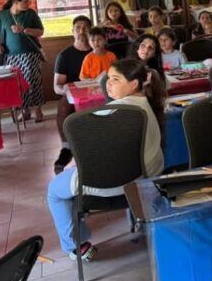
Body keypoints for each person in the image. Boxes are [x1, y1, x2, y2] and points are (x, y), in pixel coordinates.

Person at [47, 59, 165, 261]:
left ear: (134, 84)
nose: (108, 84)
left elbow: (88, 153)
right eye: (108, 78)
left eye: (116, 79)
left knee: (54, 191)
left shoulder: (110, 112)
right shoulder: (146, 104)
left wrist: (73, 166)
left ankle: (77, 246)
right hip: (146, 177)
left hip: (114, 183)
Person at [0, 0, 45, 122]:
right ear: (16, 2)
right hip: (11, 55)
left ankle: (37, 110)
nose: (29, 4)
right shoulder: (2, 15)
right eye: (26, 2)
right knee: (17, 84)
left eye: (29, 1)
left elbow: (40, 32)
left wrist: (25, 30)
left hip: (30, 54)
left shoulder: (30, 13)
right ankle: (24, 110)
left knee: (33, 80)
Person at [53, 15, 93, 174]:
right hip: (74, 96)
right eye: (78, 28)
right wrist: (71, 91)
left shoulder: (100, 52)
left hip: (98, 93)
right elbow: (57, 86)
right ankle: (66, 148)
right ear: (72, 31)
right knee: (64, 104)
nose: (82, 31)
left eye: (85, 28)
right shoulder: (65, 55)